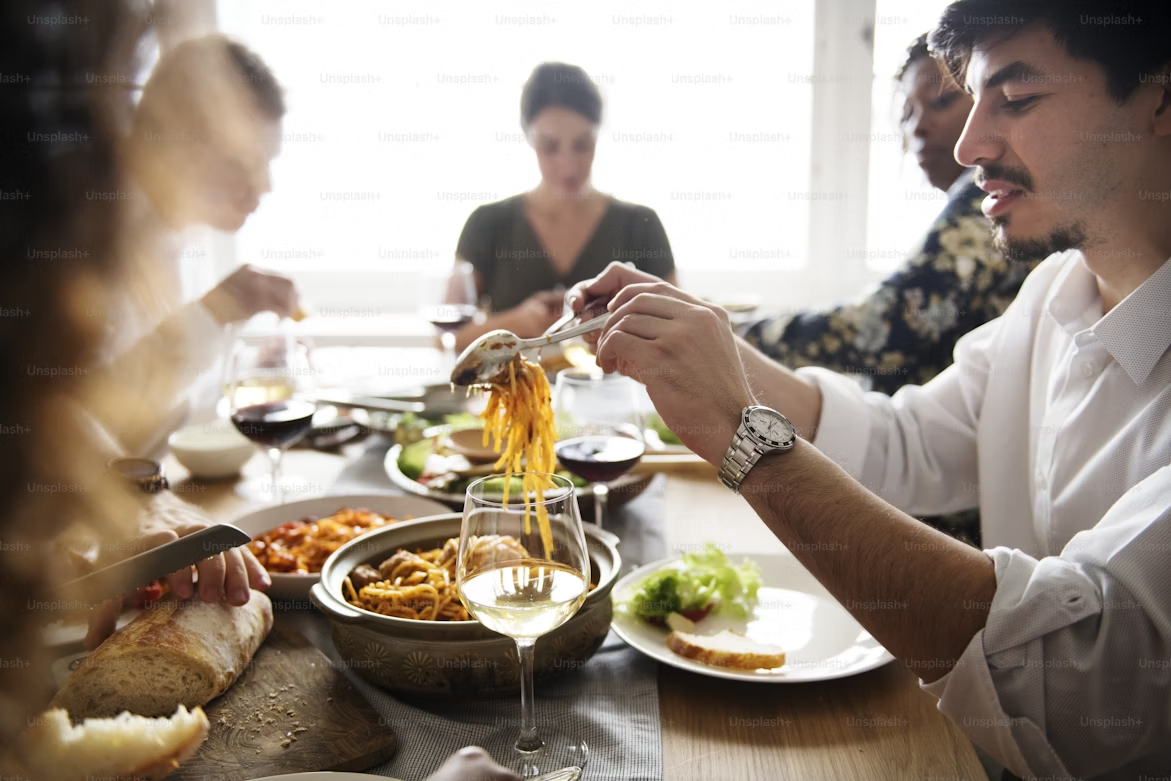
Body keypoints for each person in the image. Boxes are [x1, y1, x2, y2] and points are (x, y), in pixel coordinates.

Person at [569, 0, 1171, 776]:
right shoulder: (1055, 289)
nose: (966, 143)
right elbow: (904, 441)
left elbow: (1069, 680)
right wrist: (704, 336)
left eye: (1016, 99)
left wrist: (740, 435)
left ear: (1157, 98)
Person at [0, 4, 519, 779]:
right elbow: (67, 400)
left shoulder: (163, 243)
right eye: (243, 160)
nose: (264, 184)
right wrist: (137, 494)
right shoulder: (73, 241)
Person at [741, 33, 1041, 546]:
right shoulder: (993, 224)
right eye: (906, 112)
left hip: (965, 526)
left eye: (943, 101)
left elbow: (885, 324)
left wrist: (732, 337)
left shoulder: (987, 203)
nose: (918, 125)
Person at [89, 34, 301, 457]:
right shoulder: (89, 242)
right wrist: (219, 307)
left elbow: (173, 407)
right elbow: (93, 422)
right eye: (242, 163)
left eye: (268, 163)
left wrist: (252, 363)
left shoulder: (188, 234)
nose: (265, 186)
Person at [451, 62, 677, 352]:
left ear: (597, 137)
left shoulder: (641, 225)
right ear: (529, 139)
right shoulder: (487, 223)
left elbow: (678, 332)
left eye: (582, 145)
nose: (568, 165)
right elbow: (450, 339)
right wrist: (518, 322)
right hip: (512, 397)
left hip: (619, 396)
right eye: (550, 146)